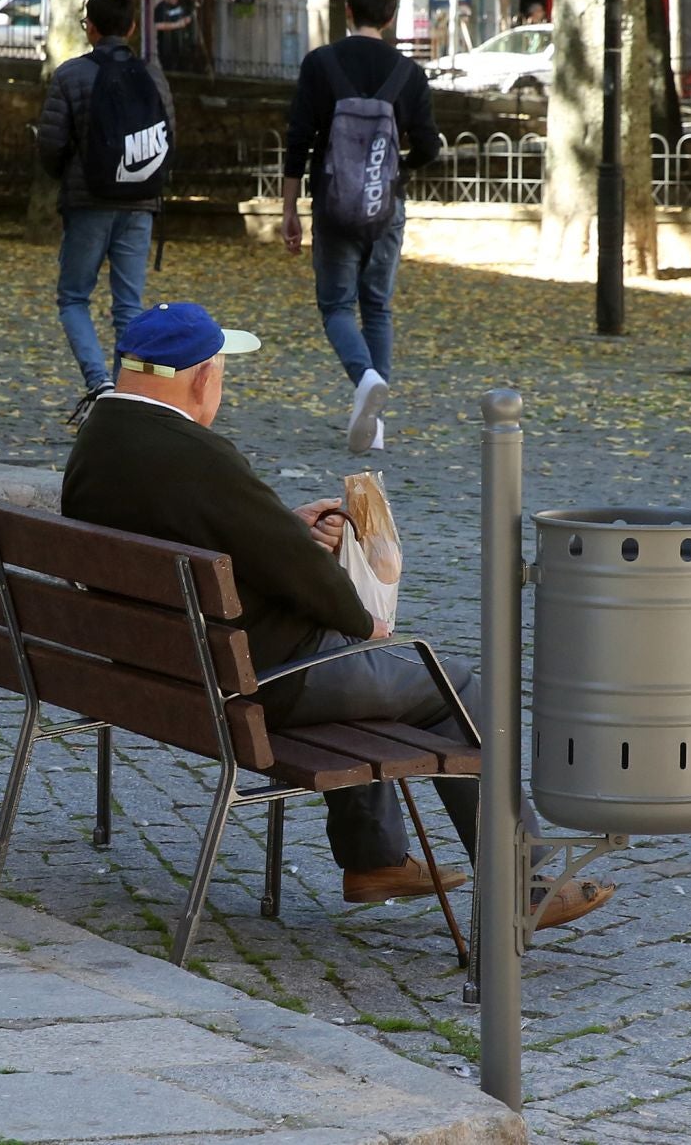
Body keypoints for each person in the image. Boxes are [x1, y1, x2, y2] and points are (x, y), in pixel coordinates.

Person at [63, 301, 615, 927]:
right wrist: (361, 620)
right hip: (253, 683)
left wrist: (288, 532)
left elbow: (217, 540)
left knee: (366, 668)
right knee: (451, 683)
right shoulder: (196, 455)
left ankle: (376, 858)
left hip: (160, 668)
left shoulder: (100, 439)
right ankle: (527, 880)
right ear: (201, 377)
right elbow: (316, 588)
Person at [281, 0, 440, 453]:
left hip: (333, 203)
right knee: (377, 306)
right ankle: (377, 423)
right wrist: (399, 168)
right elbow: (430, 146)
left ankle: (365, 376)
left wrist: (290, 208)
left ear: (346, 13)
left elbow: (298, 140)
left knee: (335, 305)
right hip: (386, 204)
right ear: (390, 18)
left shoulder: (320, 63)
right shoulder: (408, 74)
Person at [37, 0, 175, 425]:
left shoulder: (71, 75)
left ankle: (100, 383)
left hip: (88, 202)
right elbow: (170, 135)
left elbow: (52, 144)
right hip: (140, 202)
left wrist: (68, 178)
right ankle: (121, 405)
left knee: (73, 297)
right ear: (132, 26)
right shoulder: (152, 74)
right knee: (129, 308)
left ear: (89, 28)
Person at [152, 0, 195, 72]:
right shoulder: (161, 8)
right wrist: (177, 25)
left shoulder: (179, 7)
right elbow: (158, 26)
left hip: (181, 46)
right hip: (167, 47)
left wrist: (187, 20)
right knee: (169, 70)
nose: (175, 0)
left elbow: (186, 16)